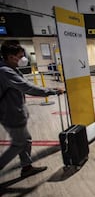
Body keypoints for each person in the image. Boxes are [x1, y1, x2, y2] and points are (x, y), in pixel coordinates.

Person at [0, 41, 64, 178]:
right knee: (19, 143)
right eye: (21, 56)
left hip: (14, 111)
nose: (24, 59)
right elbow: (27, 87)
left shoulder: (11, 68)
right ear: (11, 57)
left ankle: (26, 167)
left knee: (25, 140)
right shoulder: (5, 71)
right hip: (10, 113)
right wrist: (51, 91)